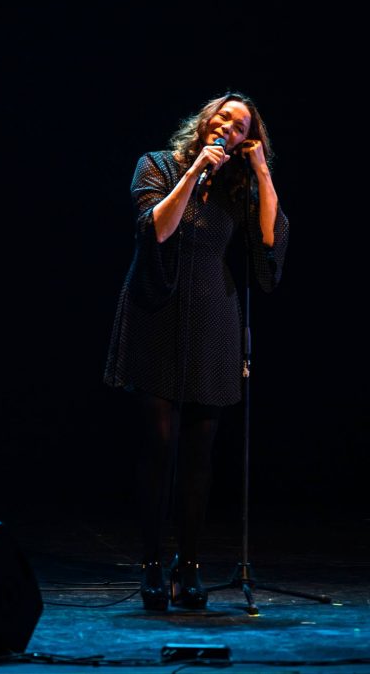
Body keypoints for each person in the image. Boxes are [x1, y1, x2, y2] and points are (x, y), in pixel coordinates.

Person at [103, 92, 288, 610]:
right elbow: (156, 231)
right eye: (223, 118)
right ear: (205, 121)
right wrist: (193, 175)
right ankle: (151, 565)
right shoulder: (156, 165)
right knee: (159, 448)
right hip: (156, 312)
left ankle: (190, 566)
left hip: (213, 317)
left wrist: (262, 172)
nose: (227, 128)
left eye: (240, 126)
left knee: (200, 456)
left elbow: (269, 242)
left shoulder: (239, 186)